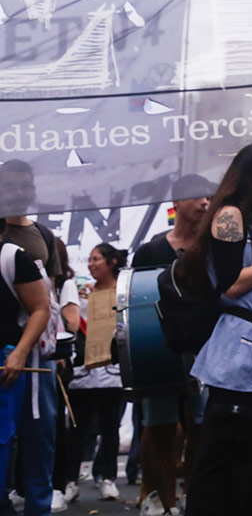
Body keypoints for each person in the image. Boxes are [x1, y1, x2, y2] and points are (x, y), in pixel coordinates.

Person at [183, 142, 252, 516]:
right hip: (237, 361)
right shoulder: (229, 215)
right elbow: (230, 285)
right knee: (225, 466)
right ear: (250, 176)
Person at [131, 173, 213, 516]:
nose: (205, 203)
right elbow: (133, 302)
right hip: (160, 351)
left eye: (208, 198)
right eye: (197, 197)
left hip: (206, 351)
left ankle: (194, 497)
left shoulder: (214, 246)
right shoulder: (151, 250)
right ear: (176, 203)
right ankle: (161, 501)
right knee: (160, 424)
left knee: (202, 425)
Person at [0, 160, 61, 516]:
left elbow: (46, 299)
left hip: (36, 355)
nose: (21, 191)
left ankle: (38, 506)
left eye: (26, 184)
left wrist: (53, 344)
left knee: (40, 435)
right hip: (8, 349)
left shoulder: (44, 236)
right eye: (12, 185)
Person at [64, 244, 128, 503]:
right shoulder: (82, 294)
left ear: (112, 262)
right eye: (89, 260)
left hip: (113, 372)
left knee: (110, 427)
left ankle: (108, 478)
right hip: (83, 372)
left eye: (96, 259)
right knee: (78, 429)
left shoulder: (123, 293)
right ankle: (70, 480)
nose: (91, 264)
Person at [50, 240, 80, 513]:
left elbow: (71, 322)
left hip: (57, 360)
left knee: (56, 424)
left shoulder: (65, 285)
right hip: (38, 356)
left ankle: (57, 485)